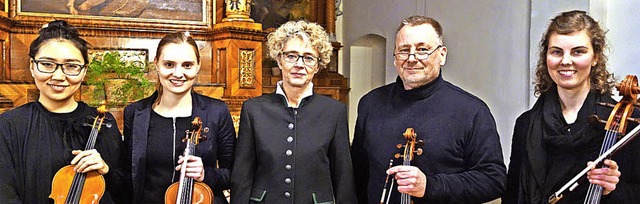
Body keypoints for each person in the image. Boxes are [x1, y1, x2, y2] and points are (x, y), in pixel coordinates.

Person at [351, 15, 506, 204]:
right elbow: (359, 174)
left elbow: (493, 180)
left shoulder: (472, 111)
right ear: (394, 57)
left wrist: (431, 186)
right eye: (404, 50)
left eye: (422, 49)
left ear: (442, 55)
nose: (411, 58)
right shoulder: (370, 104)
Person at [503, 10, 640, 204]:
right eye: (557, 52)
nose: (566, 61)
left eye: (578, 51)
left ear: (595, 58)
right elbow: (512, 195)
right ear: (546, 58)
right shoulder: (526, 124)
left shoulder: (630, 123)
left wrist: (612, 191)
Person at [231, 20, 357, 203]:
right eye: (291, 56)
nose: (299, 64)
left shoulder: (334, 112)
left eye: (308, 58)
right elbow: (242, 174)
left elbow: (343, 176)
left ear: (317, 65)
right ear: (279, 60)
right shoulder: (254, 110)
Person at [0, 20, 124, 203]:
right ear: (32, 66)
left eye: (71, 66)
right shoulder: (9, 125)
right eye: (47, 64)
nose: (58, 76)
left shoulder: (104, 122)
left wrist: (105, 170)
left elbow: (122, 191)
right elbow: (4, 194)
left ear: (84, 72)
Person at [122, 32, 236, 204]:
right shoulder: (135, 112)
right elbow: (127, 173)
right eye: (169, 64)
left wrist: (206, 174)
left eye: (187, 65)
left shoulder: (217, 111)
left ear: (198, 66)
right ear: (157, 64)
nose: (178, 73)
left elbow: (234, 174)